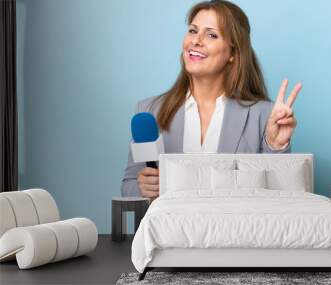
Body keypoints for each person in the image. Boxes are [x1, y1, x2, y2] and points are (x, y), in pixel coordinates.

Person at [121, 0, 302, 198]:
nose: (196, 41)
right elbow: (129, 186)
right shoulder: (149, 112)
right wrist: (143, 187)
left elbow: (279, 196)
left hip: (235, 227)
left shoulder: (263, 115)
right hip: (172, 227)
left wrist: (275, 147)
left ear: (233, 52)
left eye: (211, 35)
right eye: (192, 31)